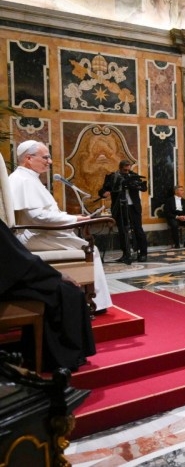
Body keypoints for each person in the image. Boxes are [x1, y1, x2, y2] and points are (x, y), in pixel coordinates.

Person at [9, 140, 113, 312]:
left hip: (40, 233)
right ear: (28, 158)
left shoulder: (26, 178)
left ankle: (82, 298)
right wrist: (73, 219)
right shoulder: (23, 180)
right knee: (90, 249)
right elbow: (38, 217)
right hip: (34, 235)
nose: (49, 161)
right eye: (45, 157)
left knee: (83, 244)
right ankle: (94, 302)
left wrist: (70, 219)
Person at [0, 219, 96, 372]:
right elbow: (18, 259)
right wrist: (55, 275)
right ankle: (58, 359)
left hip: (11, 278)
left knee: (63, 288)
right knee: (65, 291)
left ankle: (40, 355)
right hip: (8, 284)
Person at [99, 160, 149, 263]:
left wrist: (136, 185)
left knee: (138, 229)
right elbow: (103, 190)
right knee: (122, 231)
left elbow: (144, 188)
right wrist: (104, 193)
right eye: (124, 170)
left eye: (128, 169)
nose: (126, 172)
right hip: (120, 206)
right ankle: (126, 254)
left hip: (133, 207)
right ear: (120, 168)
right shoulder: (112, 177)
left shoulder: (134, 176)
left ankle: (143, 253)